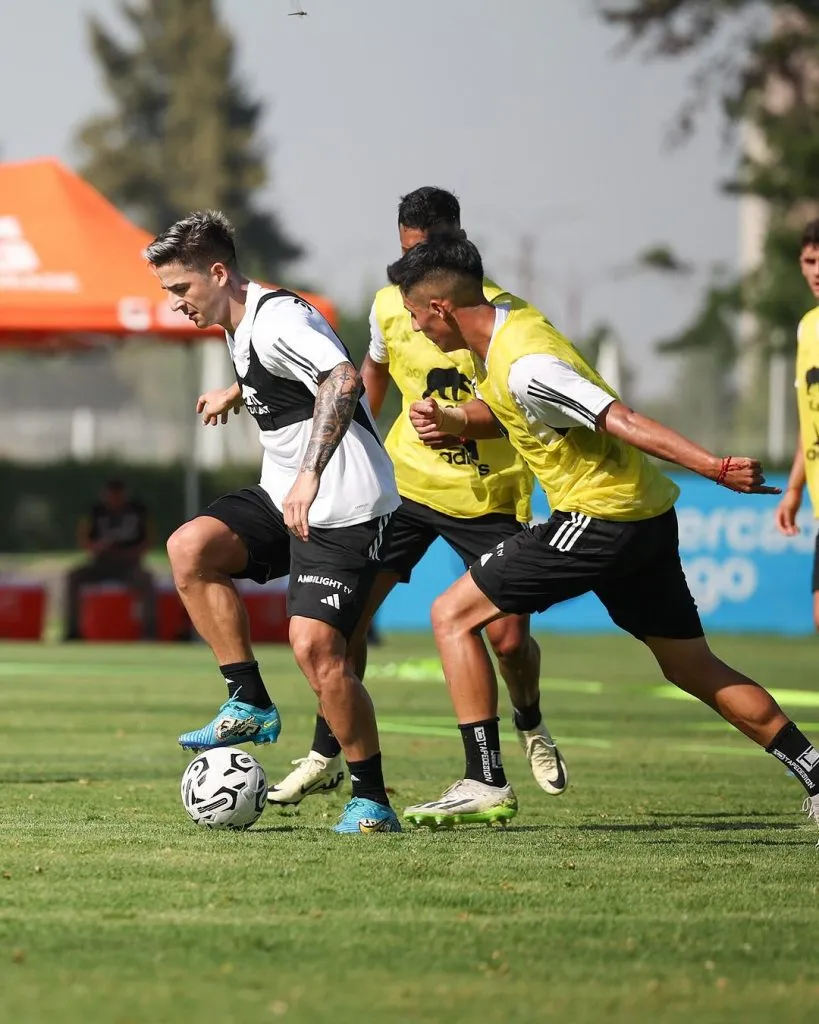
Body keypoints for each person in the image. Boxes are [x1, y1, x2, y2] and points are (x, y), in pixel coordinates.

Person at [385, 233, 819, 834]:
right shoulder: (508, 330)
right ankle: (816, 773)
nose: (415, 329)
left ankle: (484, 780)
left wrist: (713, 468)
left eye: (414, 316)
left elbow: (621, 417)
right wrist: (457, 421)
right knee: (692, 668)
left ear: (440, 309)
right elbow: (509, 411)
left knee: (451, 615)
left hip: (600, 519)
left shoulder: (528, 362)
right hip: (642, 520)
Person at [268, 187, 568, 816]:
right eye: (408, 250)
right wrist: (352, 449)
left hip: (489, 496)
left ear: (457, 242)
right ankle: (331, 753)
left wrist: (460, 421)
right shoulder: (388, 305)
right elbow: (369, 377)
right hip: (403, 489)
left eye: (429, 248)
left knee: (508, 640)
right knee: (344, 619)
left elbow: (517, 411)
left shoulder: (504, 319)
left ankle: (530, 718)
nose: (417, 260)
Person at [145, 210, 402, 835]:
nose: (176, 305)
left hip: (344, 504)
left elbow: (341, 376)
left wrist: (312, 473)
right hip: (284, 494)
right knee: (190, 550)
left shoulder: (280, 317)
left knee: (318, 651)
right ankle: (249, 700)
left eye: (181, 290)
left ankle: (370, 800)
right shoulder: (239, 323)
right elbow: (287, 376)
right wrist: (240, 390)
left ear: (217, 271)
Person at [774, 219, 819, 631]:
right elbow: (811, 417)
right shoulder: (808, 327)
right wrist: (794, 489)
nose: (817, 270)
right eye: (810, 260)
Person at [64, 478, 156, 641]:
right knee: (73, 577)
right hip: (101, 564)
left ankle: (149, 633)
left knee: (146, 580)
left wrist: (131, 553)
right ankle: (73, 631)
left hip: (128, 564)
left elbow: (148, 540)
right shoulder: (95, 511)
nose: (115, 500)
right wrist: (97, 547)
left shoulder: (138, 511)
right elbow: (83, 539)